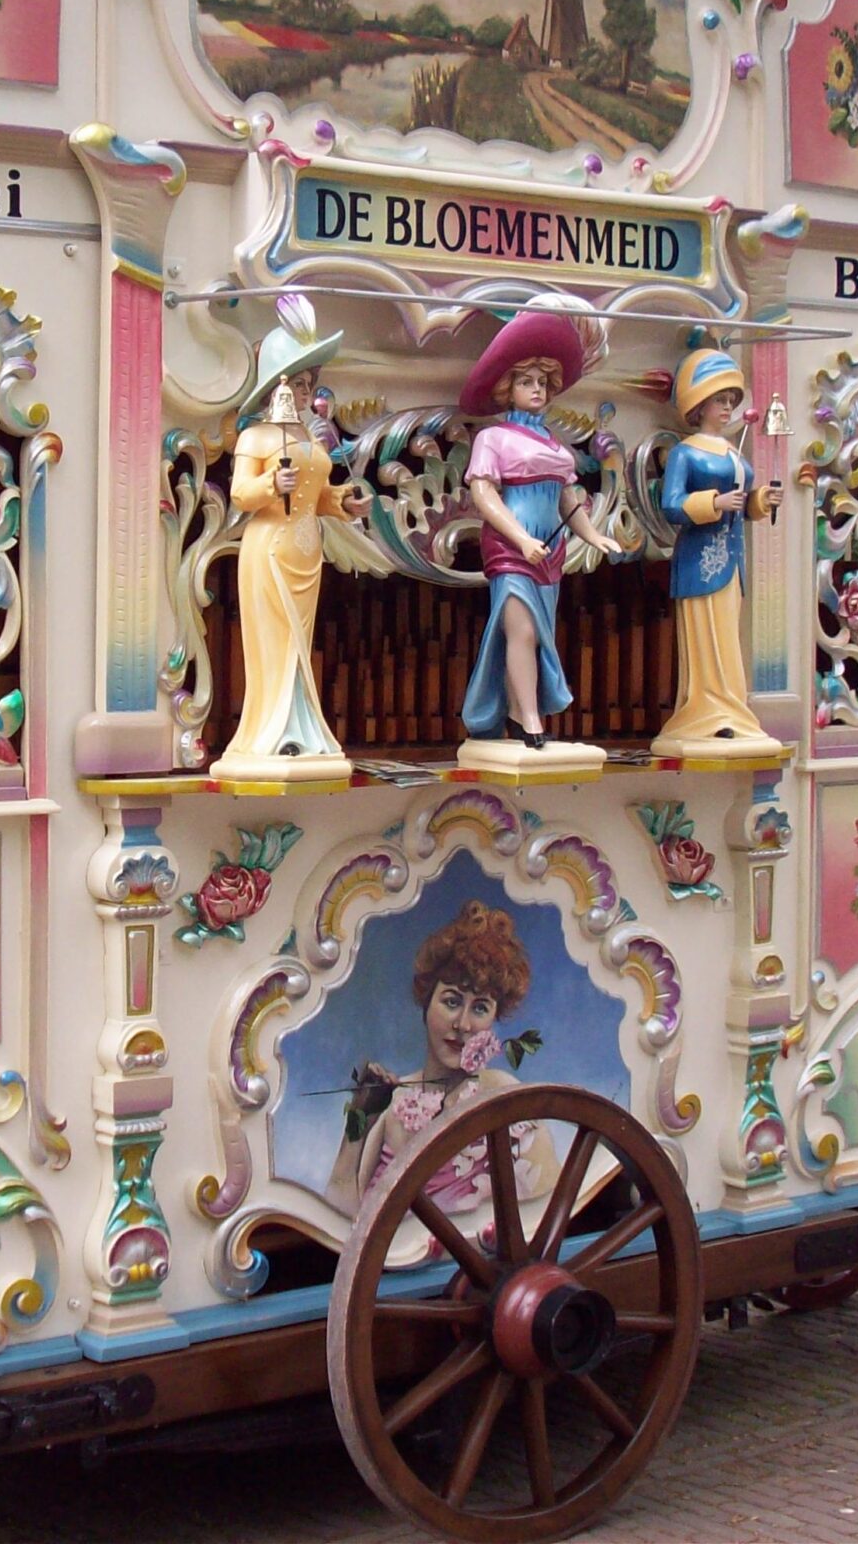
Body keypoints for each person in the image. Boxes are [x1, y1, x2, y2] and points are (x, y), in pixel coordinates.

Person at [457, 307, 625, 763]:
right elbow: (486, 497)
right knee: (523, 630)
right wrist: (520, 539)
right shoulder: (493, 438)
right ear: (507, 388)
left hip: (551, 550)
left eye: (542, 383)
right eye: (526, 382)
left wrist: (592, 535)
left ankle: (516, 710)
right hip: (512, 547)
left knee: (538, 632)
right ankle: (531, 719)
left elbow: (568, 500)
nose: (536, 390)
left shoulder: (556, 444)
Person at [214, 295, 370, 782]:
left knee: (300, 645)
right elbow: (241, 494)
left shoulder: (310, 439)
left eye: (309, 384)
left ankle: (305, 731)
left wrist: (344, 502)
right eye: (297, 384)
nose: (304, 393)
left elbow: (315, 495)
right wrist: (269, 486)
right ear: (276, 388)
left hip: (308, 551)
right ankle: (269, 734)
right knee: (274, 645)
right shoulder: (257, 439)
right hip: (271, 550)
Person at [330, 900, 554, 1213]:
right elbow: (346, 1230)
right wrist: (358, 1126)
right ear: (427, 1003)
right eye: (451, 1002)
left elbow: (544, 1212)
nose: (462, 1024)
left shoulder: (503, 1096)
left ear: (494, 1018)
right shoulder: (392, 1104)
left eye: (479, 1008)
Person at [650, 347, 783, 760]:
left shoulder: (735, 454)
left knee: (728, 638)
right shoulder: (686, 453)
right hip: (698, 559)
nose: (726, 409)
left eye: (730, 402)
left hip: (732, 559)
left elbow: (745, 506)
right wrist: (712, 503)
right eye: (719, 401)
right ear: (700, 404)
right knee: (705, 639)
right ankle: (705, 713)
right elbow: (671, 504)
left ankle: (732, 711)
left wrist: (762, 499)